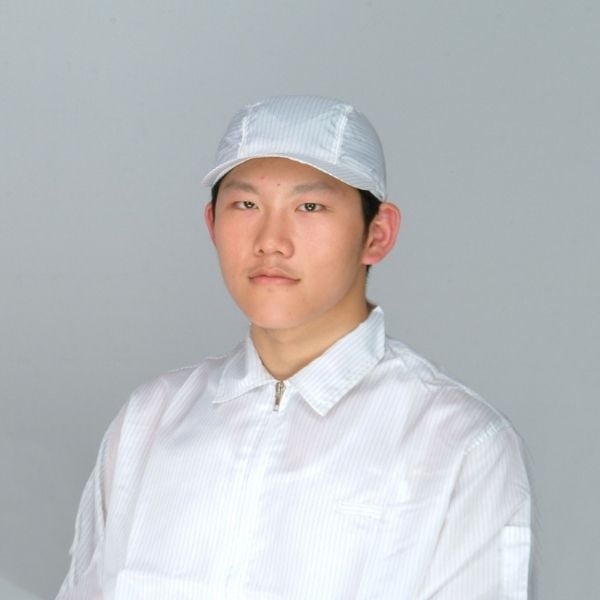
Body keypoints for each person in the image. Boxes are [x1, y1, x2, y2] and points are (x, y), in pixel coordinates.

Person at [57, 95, 533, 599]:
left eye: (310, 207)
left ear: (377, 234)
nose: (271, 241)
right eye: (246, 205)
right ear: (212, 224)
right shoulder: (151, 421)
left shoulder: (459, 444)